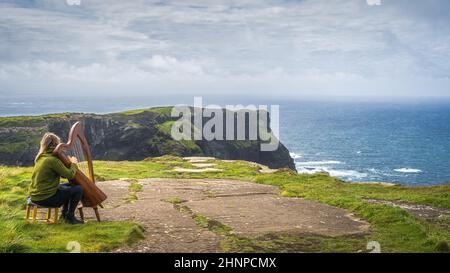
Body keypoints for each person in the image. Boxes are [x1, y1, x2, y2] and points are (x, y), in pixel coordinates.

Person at [28, 132, 84, 224]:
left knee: (69, 186)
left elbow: (62, 174)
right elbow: (69, 175)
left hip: (36, 196)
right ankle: (70, 217)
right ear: (57, 145)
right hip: (47, 199)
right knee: (78, 189)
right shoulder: (52, 160)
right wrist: (73, 164)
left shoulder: (41, 157)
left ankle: (64, 215)